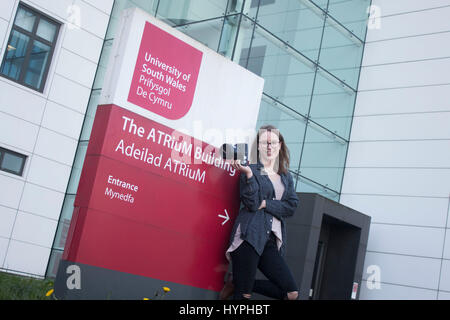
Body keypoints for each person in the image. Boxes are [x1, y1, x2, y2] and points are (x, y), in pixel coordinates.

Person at [219, 125, 299, 300]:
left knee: (291, 293)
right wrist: (247, 173)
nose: (269, 146)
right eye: (265, 142)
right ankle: (240, 286)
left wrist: (266, 203)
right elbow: (252, 203)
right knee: (244, 296)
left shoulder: (285, 175)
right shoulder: (251, 168)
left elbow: (292, 205)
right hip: (249, 235)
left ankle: (236, 284)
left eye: (273, 142)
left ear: (280, 145)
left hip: (270, 239)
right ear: (258, 146)